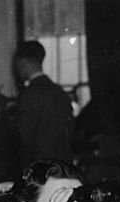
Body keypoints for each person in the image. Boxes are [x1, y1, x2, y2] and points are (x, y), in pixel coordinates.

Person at [13, 40, 74, 168]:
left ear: (22, 62)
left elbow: (25, 138)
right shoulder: (60, 93)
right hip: (64, 166)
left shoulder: (28, 95)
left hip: (39, 170)